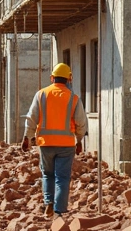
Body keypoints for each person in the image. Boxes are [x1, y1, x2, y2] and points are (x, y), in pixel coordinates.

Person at [22, 63, 88, 217]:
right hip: (66, 145)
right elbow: (81, 122)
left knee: (47, 174)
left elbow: (31, 118)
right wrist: (78, 140)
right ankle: (59, 210)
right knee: (62, 177)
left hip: (46, 143)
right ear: (69, 79)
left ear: (52, 78)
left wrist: (27, 137)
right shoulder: (73, 98)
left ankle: (49, 203)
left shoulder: (41, 94)